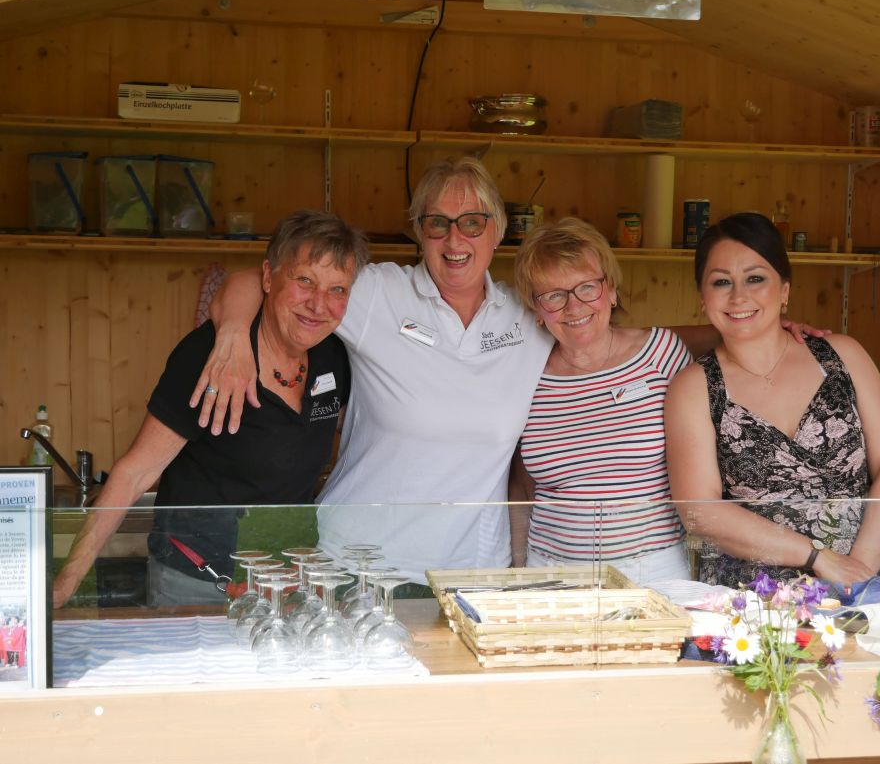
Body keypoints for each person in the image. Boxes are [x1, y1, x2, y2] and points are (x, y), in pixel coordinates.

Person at [196, 158, 822, 586]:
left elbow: (624, 335)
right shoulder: (377, 293)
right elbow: (254, 280)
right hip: (361, 563)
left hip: (474, 571)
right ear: (418, 232)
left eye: (472, 221)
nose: (455, 239)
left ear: (496, 230)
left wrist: (753, 327)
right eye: (437, 223)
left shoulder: (525, 313)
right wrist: (230, 337)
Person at [52, 210, 368, 607]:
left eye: (337, 289)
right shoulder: (213, 356)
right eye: (304, 280)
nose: (318, 304)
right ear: (268, 278)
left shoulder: (334, 357)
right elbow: (135, 473)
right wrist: (66, 582)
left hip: (285, 584)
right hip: (196, 582)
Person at [664, 212, 880, 589]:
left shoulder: (843, 356)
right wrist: (818, 557)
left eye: (755, 278)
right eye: (721, 282)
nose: (738, 296)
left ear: (784, 290)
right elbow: (700, 512)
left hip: (861, 581)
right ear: (703, 298)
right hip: (751, 601)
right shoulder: (693, 387)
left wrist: (858, 571)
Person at [510, 218, 691, 584]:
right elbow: (519, 482)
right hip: (550, 573)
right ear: (537, 309)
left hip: (653, 570)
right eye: (553, 295)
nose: (573, 306)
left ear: (611, 291)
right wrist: (518, 568)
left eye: (587, 287)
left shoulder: (661, 354)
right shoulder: (526, 374)